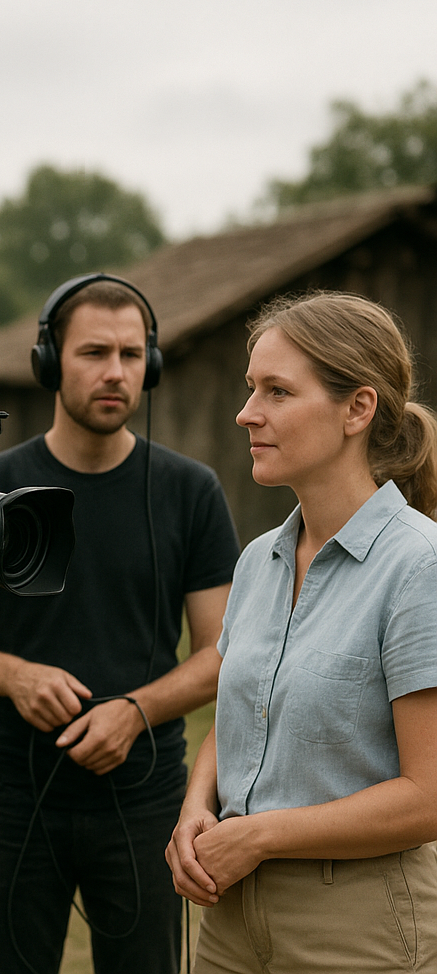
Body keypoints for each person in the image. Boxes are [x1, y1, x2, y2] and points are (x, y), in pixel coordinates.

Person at [0, 274, 240, 974]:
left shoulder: (190, 491)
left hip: (146, 798)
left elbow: (223, 650)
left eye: (132, 355)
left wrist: (136, 712)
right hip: (14, 794)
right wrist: (15, 676)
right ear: (50, 361)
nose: (115, 372)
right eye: (94, 352)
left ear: (151, 366)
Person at [166, 291, 437, 972]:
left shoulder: (419, 566)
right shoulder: (260, 560)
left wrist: (258, 837)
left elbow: (429, 795)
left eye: (278, 391)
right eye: (251, 387)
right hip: (228, 921)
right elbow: (241, 725)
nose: (246, 412)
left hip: (358, 926)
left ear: (357, 409)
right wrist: (197, 809)